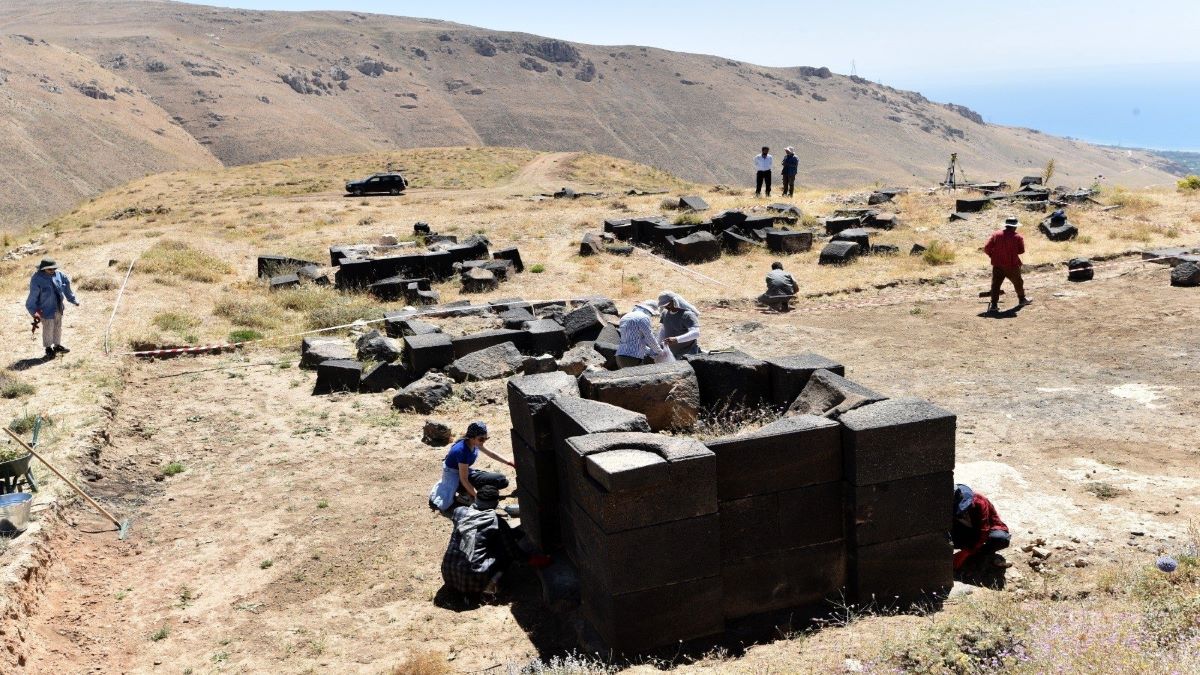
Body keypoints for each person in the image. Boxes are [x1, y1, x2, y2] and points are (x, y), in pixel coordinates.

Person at [440, 485, 524, 599]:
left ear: (476, 499)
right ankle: (490, 585)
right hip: (475, 580)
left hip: (449, 574)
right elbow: (513, 551)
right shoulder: (497, 522)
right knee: (505, 554)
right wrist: (530, 557)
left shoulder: (459, 512)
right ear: (495, 503)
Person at [429, 422, 513, 514]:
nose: (484, 441)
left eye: (486, 438)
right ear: (472, 437)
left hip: (464, 473)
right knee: (497, 481)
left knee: (502, 481)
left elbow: (491, 454)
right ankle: (464, 494)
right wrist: (479, 497)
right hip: (455, 476)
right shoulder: (462, 451)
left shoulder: (475, 443)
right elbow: (464, 479)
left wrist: (509, 462)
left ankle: (467, 492)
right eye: (481, 439)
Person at [26, 259, 80, 359]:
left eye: (54, 268)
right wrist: (34, 312)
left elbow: (67, 288)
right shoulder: (37, 278)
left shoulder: (59, 275)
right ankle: (48, 348)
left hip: (58, 307)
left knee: (58, 327)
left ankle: (57, 346)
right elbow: (33, 296)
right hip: (45, 309)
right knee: (48, 328)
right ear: (43, 268)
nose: (53, 270)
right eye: (50, 268)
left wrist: (73, 300)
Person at [951, 483, 1011, 572]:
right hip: (966, 530)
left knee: (1001, 539)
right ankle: (971, 552)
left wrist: (966, 552)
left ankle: (977, 554)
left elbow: (984, 530)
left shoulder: (979, 502)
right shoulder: (945, 504)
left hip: (986, 530)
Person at [983, 217, 1031, 314]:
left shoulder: (996, 235)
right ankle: (1022, 299)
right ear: (1015, 227)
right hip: (1012, 264)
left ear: (1006, 225)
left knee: (995, 284)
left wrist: (993, 256)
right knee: (1018, 282)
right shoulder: (1018, 237)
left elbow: (987, 248)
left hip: (997, 264)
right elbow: (1021, 251)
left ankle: (994, 305)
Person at [615, 300, 663, 368]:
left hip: (620, 356)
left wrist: (650, 351)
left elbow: (634, 340)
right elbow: (649, 337)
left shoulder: (625, 317)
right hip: (632, 358)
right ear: (649, 311)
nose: (651, 316)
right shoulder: (643, 318)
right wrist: (660, 352)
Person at [656, 291, 701, 359]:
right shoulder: (665, 314)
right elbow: (663, 330)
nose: (667, 308)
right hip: (672, 353)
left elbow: (696, 333)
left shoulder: (687, 315)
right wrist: (658, 347)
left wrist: (676, 339)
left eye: (668, 305)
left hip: (687, 354)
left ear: (675, 301)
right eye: (665, 306)